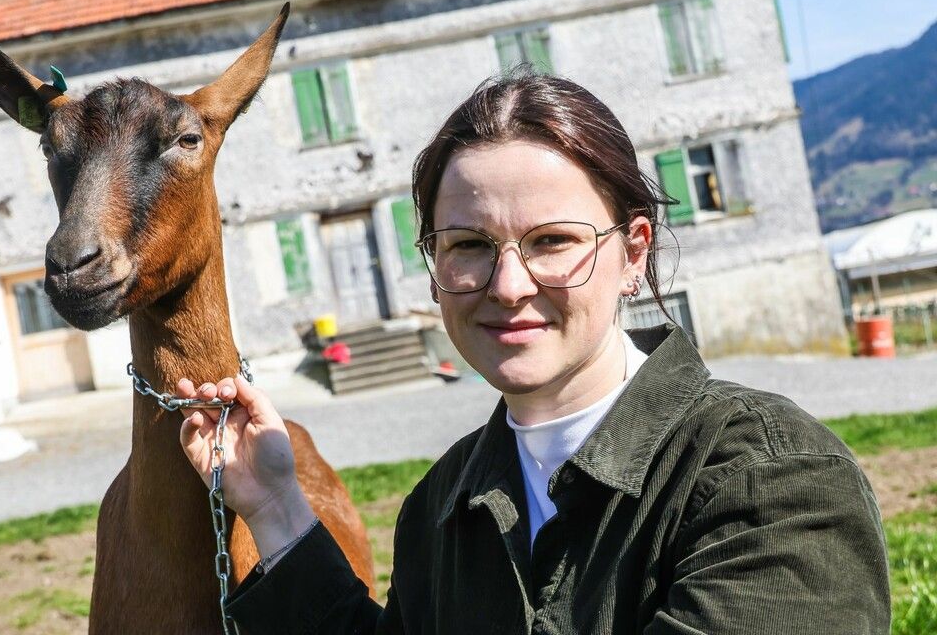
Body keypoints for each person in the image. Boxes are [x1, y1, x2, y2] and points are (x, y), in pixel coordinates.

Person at [178, 70, 890, 633]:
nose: (509, 285)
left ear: (632, 253)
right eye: (470, 247)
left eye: (552, 241)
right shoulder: (440, 509)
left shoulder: (769, 479)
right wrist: (274, 505)